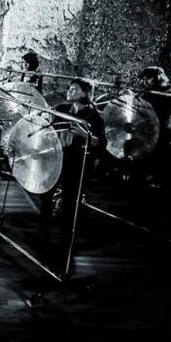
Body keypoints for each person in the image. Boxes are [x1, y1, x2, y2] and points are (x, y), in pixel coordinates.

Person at [37, 78, 106, 274]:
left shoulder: (93, 116)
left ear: (84, 93)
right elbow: (47, 123)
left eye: (74, 89)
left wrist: (86, 136)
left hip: (77, 163)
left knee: (69, 201)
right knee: (46, 192)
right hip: (57, 158)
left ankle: (66, 240)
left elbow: (102, 144)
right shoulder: (62, 108)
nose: (69, 91)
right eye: (69, 88)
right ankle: (43, 228)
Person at [138, 66, 171, 189]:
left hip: (162, 132)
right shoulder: (146, 92)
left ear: (158, 78)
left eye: (148, 78)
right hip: (145, 130)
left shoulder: (169, 91)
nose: (145, 81)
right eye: (144, 79)